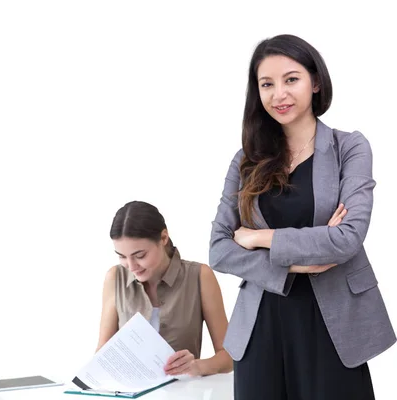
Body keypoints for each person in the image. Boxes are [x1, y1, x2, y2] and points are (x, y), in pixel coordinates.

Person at [209, 34, 396, 399]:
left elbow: (346, 239)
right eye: (267, 84)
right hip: (260, 323)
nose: (279, 94)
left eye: (291, 79)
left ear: (316, 82)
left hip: (333, 325)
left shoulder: (350, 147)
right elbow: (219, 249)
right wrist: (296, 265)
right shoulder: (246, 160)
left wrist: (259, 238)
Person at [97, 200, 233, 377]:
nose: (131, 266)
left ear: (163, 238)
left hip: (183, 393)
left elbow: (229, 356)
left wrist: (198, 366)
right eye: (122, 256)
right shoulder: (115, 277)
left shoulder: (200, 276)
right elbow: (102, 353)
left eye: (140, 255)